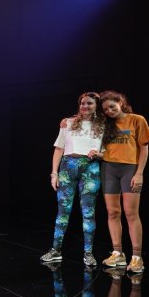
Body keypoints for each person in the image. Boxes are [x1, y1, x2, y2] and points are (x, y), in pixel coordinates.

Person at [40, 92, 105, 266]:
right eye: (83, 103)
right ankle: (56, 250)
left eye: (89, 103)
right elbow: (58, 149)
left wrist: (99, 154)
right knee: (63, 211)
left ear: (96, 106)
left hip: (90, 168)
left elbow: (109, 152)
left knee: (88, 212)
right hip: (67, 167)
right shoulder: (67, 123)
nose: (85, 106)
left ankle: (88, 253)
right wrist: (54, 173)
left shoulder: (104, 125)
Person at [99, 91, 149, 274]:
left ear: (121, 103)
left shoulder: (137, 120)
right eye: (105, 109)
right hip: (108, 169)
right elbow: (84, 120)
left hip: (130, 169)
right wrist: (66, 122)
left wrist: (139, 173)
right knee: (113, 212)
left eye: (112, 107)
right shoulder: (106, 124)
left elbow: (144, 149)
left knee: (131, 213)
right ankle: (118, 253)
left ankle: (137, 257)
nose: (109, 111)